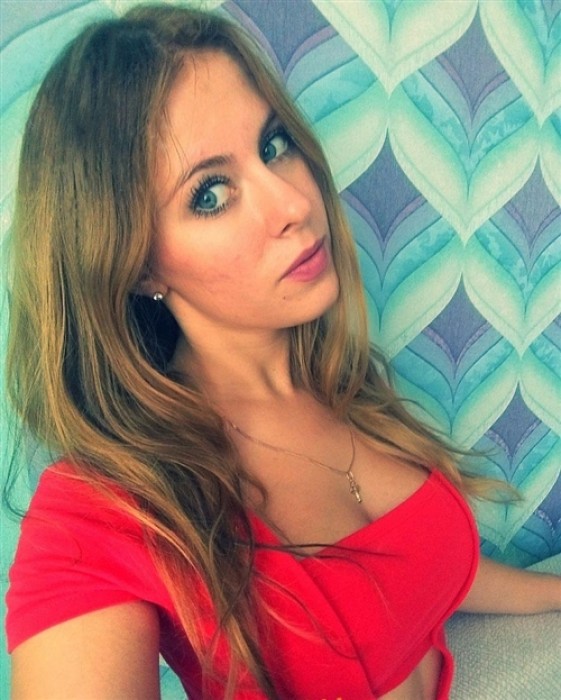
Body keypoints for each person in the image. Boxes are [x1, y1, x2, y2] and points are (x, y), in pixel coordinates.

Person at [4, 4, 561, 699]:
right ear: (138, 264)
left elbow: (418, 566)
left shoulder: (339, 382)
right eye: (211, 194)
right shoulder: (105, 510)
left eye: (272, 146)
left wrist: (552, 592)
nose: (294, 203)